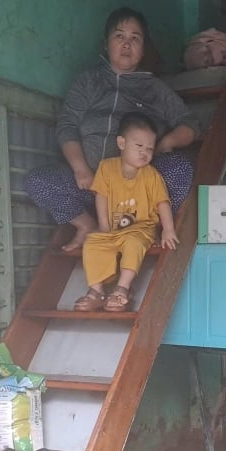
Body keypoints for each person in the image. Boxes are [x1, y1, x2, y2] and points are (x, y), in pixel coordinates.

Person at [25, 7, 200, 253]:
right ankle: (87, 225)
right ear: (106, 44)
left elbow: (190, 124)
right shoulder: (87, 82)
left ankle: (150, 226)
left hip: (138, 191)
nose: (127, 44)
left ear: (143, 48)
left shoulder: (154, 89)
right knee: (38, 181)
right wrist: (81, 169)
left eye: (135, 38)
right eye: (120, 36)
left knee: (180, 168)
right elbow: (67, 126)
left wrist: (164, 144)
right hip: (92, 185)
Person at [72, 113, 178, 313]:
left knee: (133, 243)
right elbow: (101, 196)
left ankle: (123, 288)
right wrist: (103, 226)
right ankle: (96, 292)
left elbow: (163, 203)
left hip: (141, 229)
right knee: (93, 242)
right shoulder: (107, 167)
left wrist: (168, 230)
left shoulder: (151, 175)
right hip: (113, 229)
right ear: (121, 142)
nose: (144, 153)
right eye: (139, 146)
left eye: (149, 148)